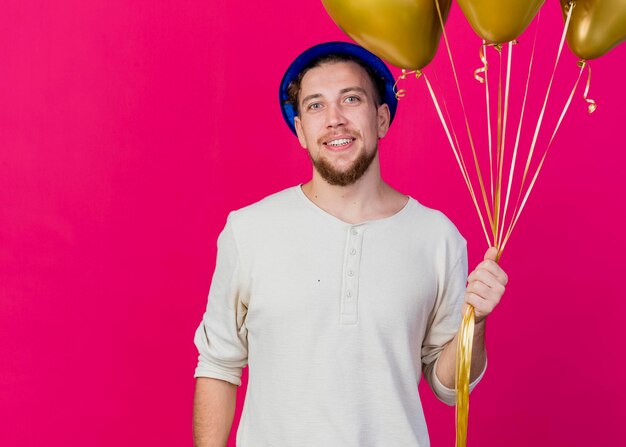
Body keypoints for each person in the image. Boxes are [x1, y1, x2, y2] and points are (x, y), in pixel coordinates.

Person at [192, 41, 508, 447]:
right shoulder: (249, 229)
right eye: (315, 106)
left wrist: (474, 322)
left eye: (351, 99)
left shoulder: (438, 236)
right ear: (301, 131)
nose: (334, 120)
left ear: (381, 119)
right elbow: (219, 365)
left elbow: (448, 387)